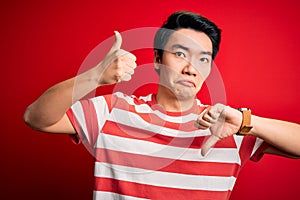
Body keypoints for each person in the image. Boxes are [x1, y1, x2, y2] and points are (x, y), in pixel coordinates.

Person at [24, 10, 300, 200]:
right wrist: (95, 76)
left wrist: (244, 122)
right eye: (180, 54)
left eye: (204, 59)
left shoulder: (226, 124)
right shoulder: (113, 111)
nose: (192, 68)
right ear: (157, 60)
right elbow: (36, 117)